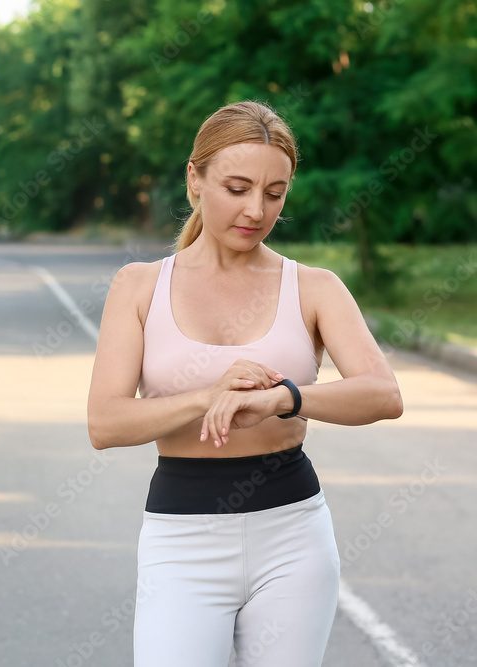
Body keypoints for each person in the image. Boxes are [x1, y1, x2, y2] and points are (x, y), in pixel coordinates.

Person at [86, 100, 403, 666]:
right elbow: (105, 423)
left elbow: (384, 394)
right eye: (237, 187)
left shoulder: (314, 287)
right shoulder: (138, 287)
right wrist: (210, 396)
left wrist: (286, 399)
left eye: (275, 193)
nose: (256, 209)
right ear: (195, 180)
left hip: (293, 537)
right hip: (181, 540)